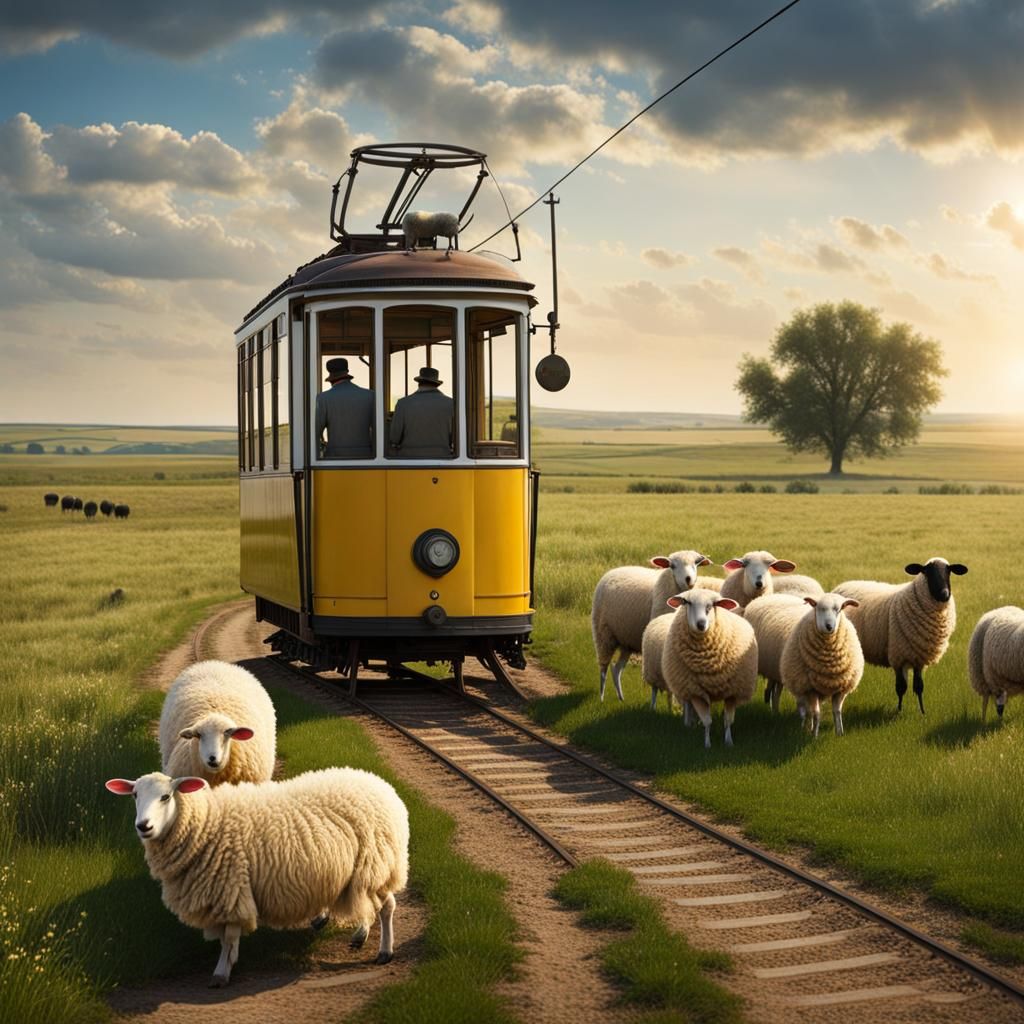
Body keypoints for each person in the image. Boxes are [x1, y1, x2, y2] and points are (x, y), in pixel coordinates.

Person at [389, 366, 454, 458]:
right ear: (436, 384)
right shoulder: (451, 404)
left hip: (409, 458)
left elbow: (394, 437)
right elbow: (455, 438)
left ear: (419, 383)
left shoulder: (403, 403)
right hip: (442, 456)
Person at [315, 357, 374, 457]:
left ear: (331, 380)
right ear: (347, 375)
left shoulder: (323, 398)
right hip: (366, 456)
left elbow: (316, 431)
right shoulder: (370, 395)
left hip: (335, 457)